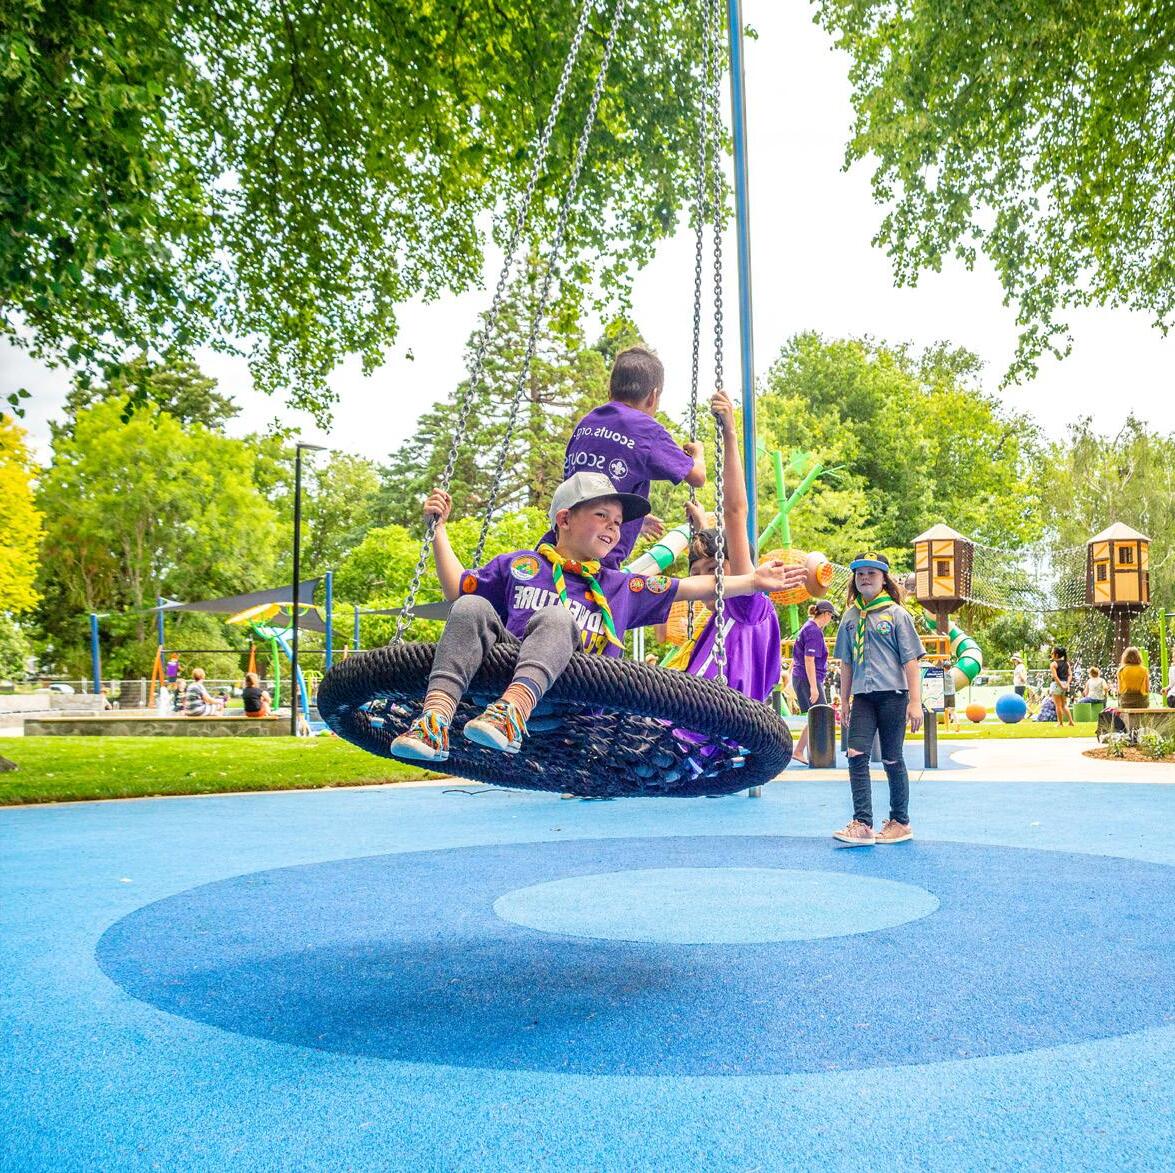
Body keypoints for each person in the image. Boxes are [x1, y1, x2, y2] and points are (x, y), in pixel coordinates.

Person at [389, 471, 806, 762]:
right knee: (470, 606)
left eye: (618, 522)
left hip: (574, 711)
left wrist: (752, 580)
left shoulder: (619, 586)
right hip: (499, 686)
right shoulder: (520, 566)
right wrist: (438, 529)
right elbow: (456, 589)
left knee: (557, 618)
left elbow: (689, 587)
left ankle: (514, 711)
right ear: (564, 519)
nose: (613, 528)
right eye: (601, 516)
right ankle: (435, 719)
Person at [539, 346, 706, 568]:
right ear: (653, 397)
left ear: (610, 391)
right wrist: (698, 453)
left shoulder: (587, 423)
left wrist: (633, 519)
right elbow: (697, 477)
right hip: (599, 559)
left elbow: (591, 484)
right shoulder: (645, 430)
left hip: (559, 545)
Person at [672, 391, 783, 706]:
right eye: (697, 574)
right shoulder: (725, 616)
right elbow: (715, 551)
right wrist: (701, 523)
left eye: (713, 571)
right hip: (701, 718)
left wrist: (730, 434)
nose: (703, 580)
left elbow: (734, 512)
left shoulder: (745, 604)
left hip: (706, 725)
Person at [831, 553, 925, 847]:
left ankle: (900, 822)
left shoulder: (896, 615)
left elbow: (911, 661)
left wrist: (915, 702)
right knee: (855, 753)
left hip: (893, 695)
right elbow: (846, 662)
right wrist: (844, 700)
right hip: (863, 697)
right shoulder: (850, 617)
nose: (865, 578)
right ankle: (862, 824)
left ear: (884, 579)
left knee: (892, 757)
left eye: (872, 573)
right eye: (860, 574)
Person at [790, 600, 838, 764]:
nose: (830, 620)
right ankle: (799, 750)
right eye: (831, 616)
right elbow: (809, 659)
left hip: (804, 677)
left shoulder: (808, 627)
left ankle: (801, 750)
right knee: (819, 714)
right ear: (826, 614)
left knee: (817, 715)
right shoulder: (813, 631)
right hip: (808, 678)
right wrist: (813, 687)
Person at [1116, 646, 1150, 710]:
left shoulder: (1121, 670)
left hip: (1126, 702)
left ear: (1125, 657)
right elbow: (1147, 689)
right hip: (1141, 702)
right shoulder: (1144, 670)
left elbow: (1120, 690)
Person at [1049, 646, 1076, 726]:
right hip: (1065, 684)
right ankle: (1071, 721)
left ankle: (1060, 723)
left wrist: (1060, 685)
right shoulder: (1066, 663)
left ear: (1056, 655)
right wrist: (1067, 684)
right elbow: (1070, 675)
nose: (1051, 654)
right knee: (1064, 704)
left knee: (1058, 705)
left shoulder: (1053, 664)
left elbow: (1055, 677)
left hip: (1057, 684)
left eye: (1052, 653)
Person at [942, 657, 957, 727]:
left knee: (945, 710)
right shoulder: (952, 673)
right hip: (952, 694)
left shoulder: (943, 675)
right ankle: (957, 722)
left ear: (944, 667)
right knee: (952, 710)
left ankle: (947, 726)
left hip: (945, 694)